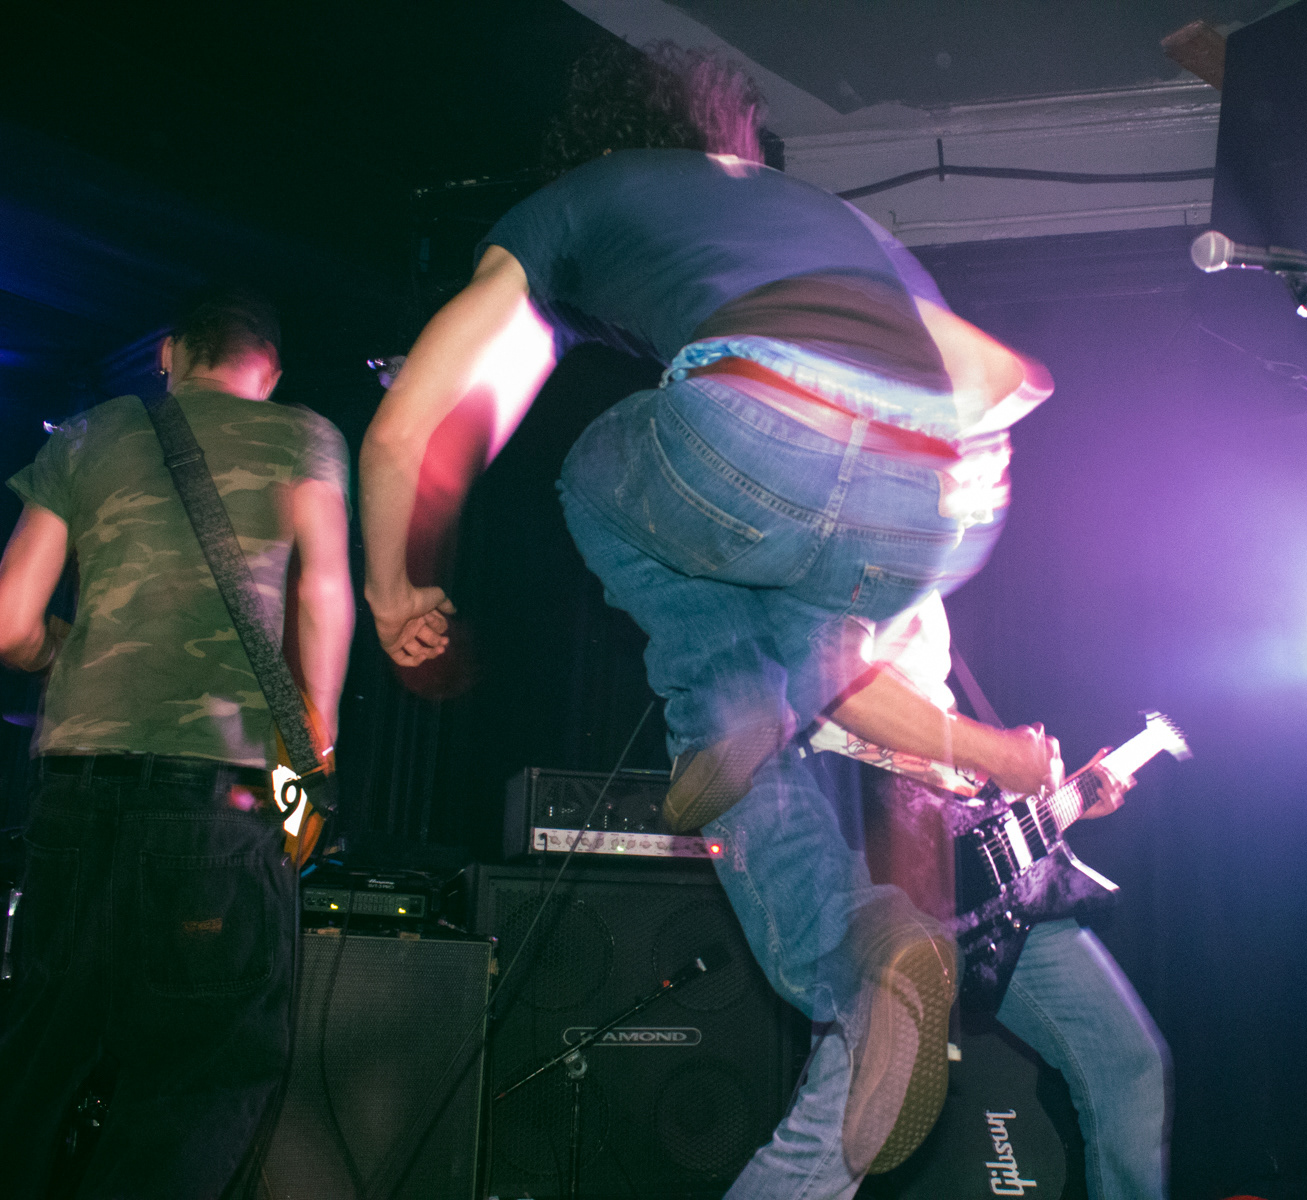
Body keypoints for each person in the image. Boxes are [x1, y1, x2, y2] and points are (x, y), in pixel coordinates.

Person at [358, 40, 1057, 1190]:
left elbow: (414, 428)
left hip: (765, 427)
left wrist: (395, 589)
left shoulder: (584, 201)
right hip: (944, 501)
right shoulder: (825, 217)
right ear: (731, 135)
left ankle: (726, 702)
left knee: (594, 478)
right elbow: (987, 377)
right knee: (778, 693)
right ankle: (861, 947)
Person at [0, 292, 354, 1199]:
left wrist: (59, 649)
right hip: (214, 802)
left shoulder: (88, 436)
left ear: (169, 353)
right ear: (270, 372)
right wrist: (316, 742)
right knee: (201, 1077)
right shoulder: (303, 436)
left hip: (74, 797)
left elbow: (9, 624)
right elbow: (324, 595)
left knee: (39, 1066)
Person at [814, 590, 1174, 1198]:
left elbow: (953, 774)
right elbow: (837, 685)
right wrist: (998, 751)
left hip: (980, 878)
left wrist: (1066, 800)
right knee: (843, 1121)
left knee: (1126, 1064)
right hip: (879, 852)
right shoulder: (867, 550)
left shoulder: (927, 581)